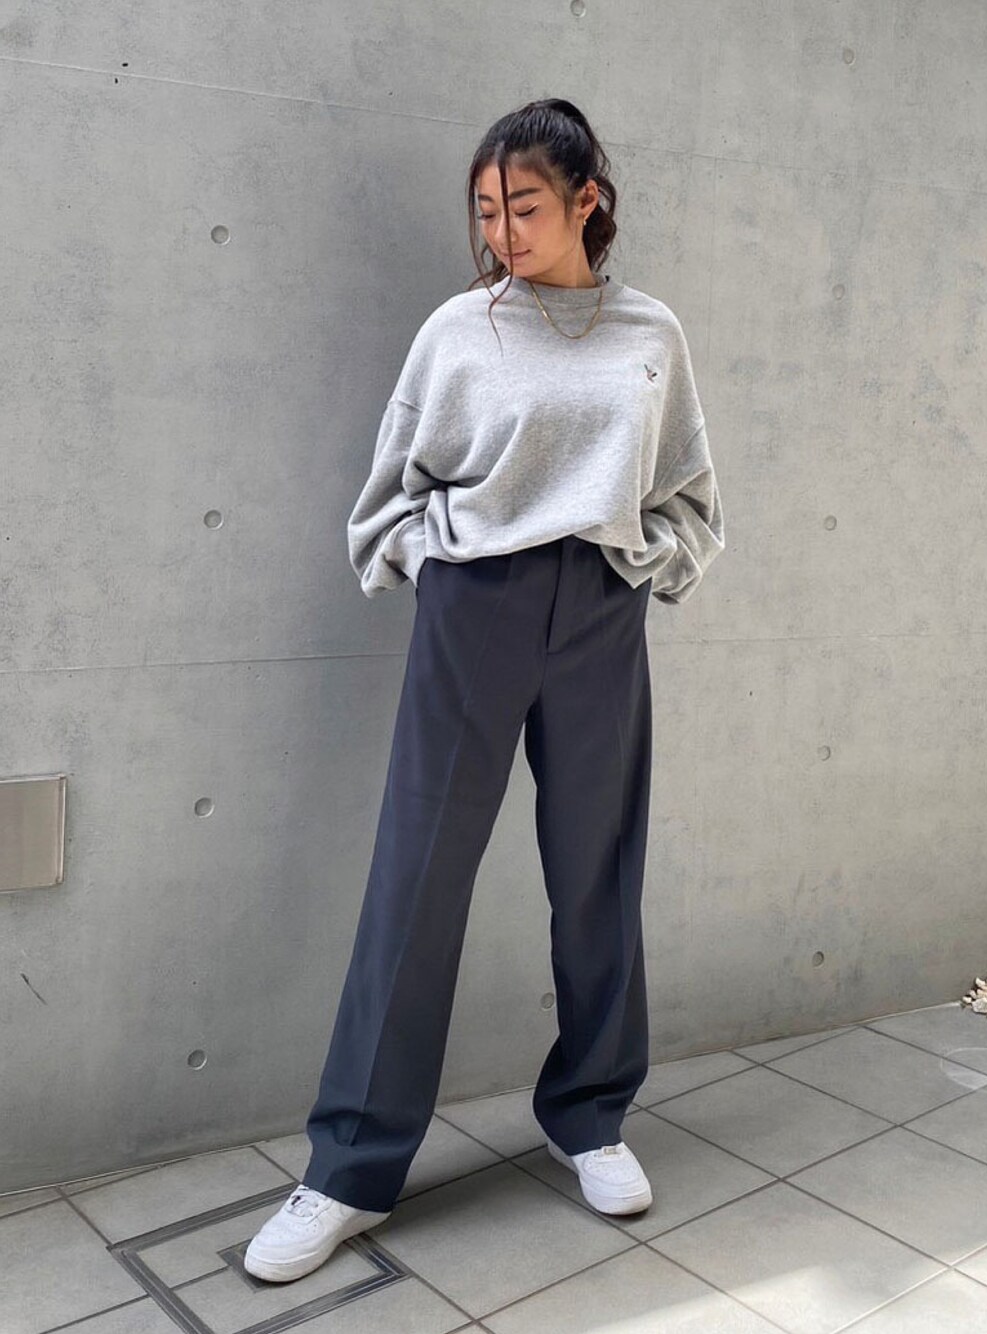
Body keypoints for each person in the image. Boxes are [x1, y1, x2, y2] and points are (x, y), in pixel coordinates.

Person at [244, 96, 724, 1283]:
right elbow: (389, 493)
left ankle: (590, 1114)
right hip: (476, 607)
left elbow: (688, 492)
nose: (500, 232)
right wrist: (440, 563)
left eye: (523, 208)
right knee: (416, 878)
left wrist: (644, 562)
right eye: (484, 210)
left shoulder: (650, 331)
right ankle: (348, 1164)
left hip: (600, 610)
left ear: (585, 202)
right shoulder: (459, 331)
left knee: (597, 869)